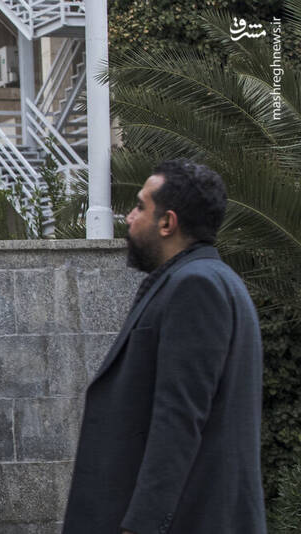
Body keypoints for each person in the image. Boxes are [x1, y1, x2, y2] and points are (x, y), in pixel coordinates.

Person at [62, 160, 266, 533]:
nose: (129, 217)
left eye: (140, 206)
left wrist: (142, 525)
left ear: (167, 223)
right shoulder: (211, 279)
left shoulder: (196, 286)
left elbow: (178, 420)